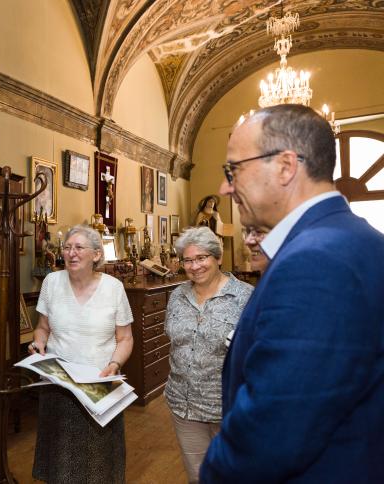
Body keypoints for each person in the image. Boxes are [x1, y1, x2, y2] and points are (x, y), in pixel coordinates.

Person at [201, 104, 384, 482]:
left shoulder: (317, 261)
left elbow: (270, 438)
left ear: (285, 166)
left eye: (233, 169)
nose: (225, 187)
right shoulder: (351, 237)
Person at [28, 224, 133, 483]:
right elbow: (42, 328)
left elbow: (125, 338)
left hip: (99, 386)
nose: (71, 253)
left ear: (96, 255)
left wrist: (115, 363)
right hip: (59, 387)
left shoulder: (113, 288)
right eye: (67, 248)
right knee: (59, 463)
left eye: (78, 248)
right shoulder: (52, 282)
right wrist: (39, 345)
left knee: (99, 464)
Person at [163, 226, 253, 484]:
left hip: (229, 407)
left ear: (218, 258)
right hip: (185, 405)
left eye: (201, 258)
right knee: (199, 476)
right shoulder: (177, 296)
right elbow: (174, 341)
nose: (194, 266)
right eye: (188, 260)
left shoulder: (245, 297)